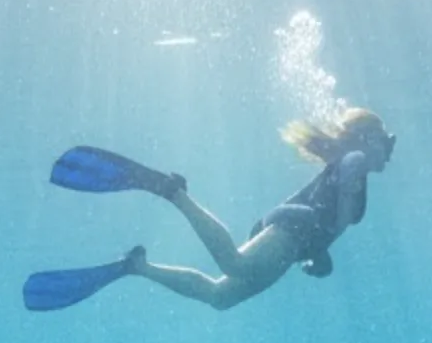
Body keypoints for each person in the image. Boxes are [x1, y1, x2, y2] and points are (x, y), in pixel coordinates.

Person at [22, 109, 396, 313]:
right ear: (367, 138)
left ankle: (137, 266)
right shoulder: (358, 159)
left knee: (221, 297)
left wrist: (320, 254)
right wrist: (338, 216)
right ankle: (173, 192)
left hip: (299, 237)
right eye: (386, 139)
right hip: (294, 229)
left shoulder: (357, 165)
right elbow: (344, 181)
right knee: (234, 265)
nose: (389, 149)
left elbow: (331, 219)